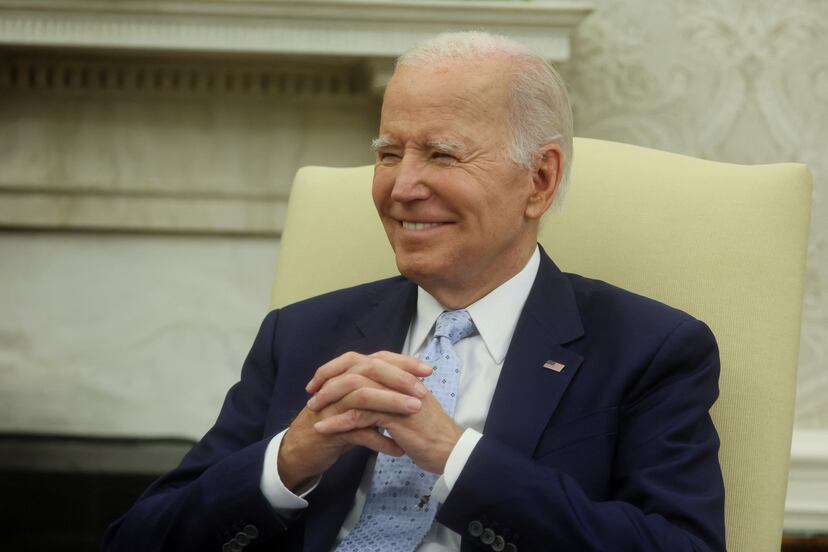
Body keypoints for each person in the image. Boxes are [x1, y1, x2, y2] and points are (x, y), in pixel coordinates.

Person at [103, 32, 725, 552]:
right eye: (390, 153)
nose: (401, 188)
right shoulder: (300, 335)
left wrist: (456, 458)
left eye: (442, 155)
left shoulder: (649, 349)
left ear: (539, 180)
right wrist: (288, 460)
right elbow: (136, 539)